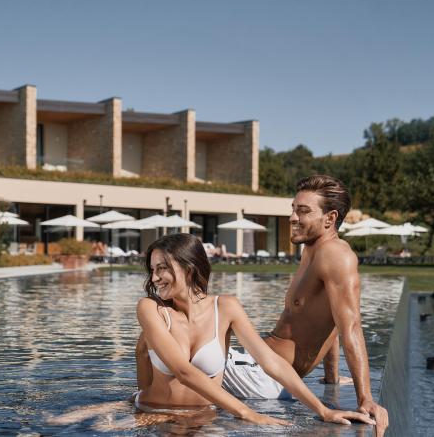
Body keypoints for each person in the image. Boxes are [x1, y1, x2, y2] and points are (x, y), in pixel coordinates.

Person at [136, 175, 388, 435]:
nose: (292, 217)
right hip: (261, 367)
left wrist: (364, 399)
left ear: (330, 218)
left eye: (303, 211)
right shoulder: (312, 250)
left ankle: (138, 407)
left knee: (165, 349)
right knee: (157, 340)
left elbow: (351, 326)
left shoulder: (337, 256)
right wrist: (332, 380)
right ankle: (142, 401)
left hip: (262, 376)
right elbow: (332, 321)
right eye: (293, 209)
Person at [134, 233, 372, 426]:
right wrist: (248, 413)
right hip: (154, 417)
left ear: (189, 268)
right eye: (152, 270)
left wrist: (323, 410)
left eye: (162, 268)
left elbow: (271, 362)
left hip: (203, 418)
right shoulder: (150, 309)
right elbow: (182, 372)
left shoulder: (226, 307)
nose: (154, 278)